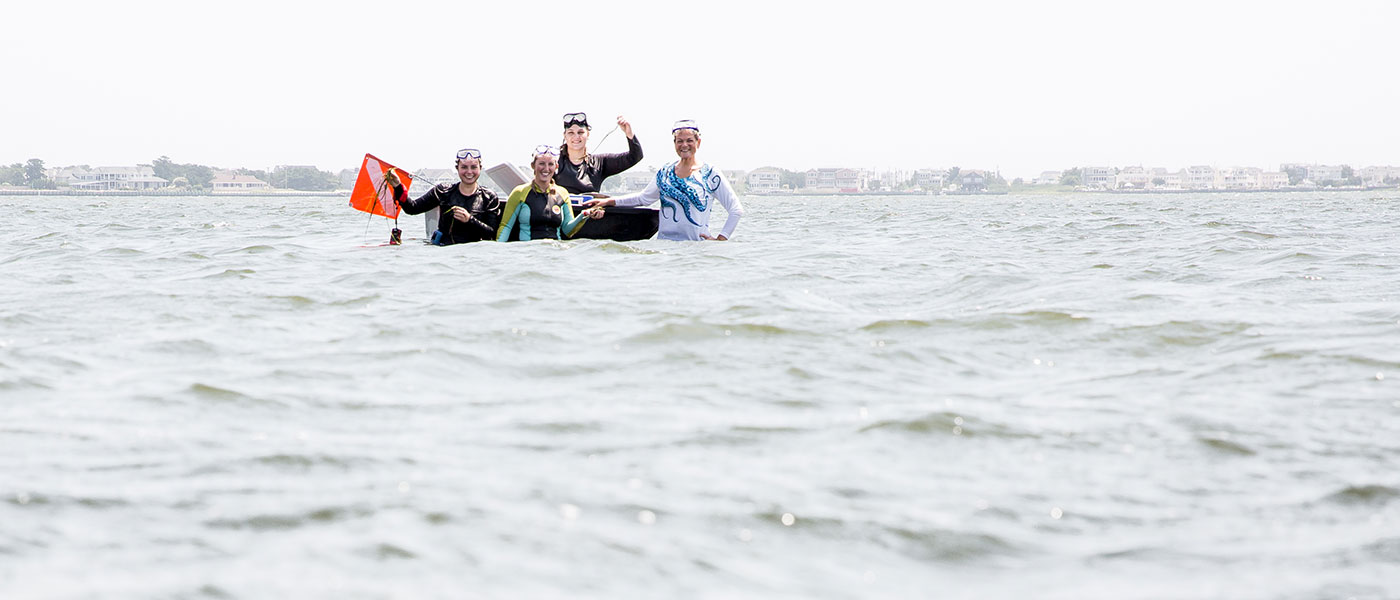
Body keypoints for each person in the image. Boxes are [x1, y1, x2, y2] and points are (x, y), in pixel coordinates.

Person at [582, 120, 743, 241]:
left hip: (697, 250)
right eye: (679, 141)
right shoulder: (665, 172)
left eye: (689, 141)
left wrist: (721, 239)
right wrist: (610, 201)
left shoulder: (710, 173)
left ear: (698, 143)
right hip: (666, 247)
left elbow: (735, 209)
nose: (684, 145)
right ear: (674, 144)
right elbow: (643, 198)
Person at [385, 148, 501, 245]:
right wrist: (398, 186)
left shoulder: (489, 197)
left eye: (474, 167)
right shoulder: (443, 191)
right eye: (464, 167)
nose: (469, 172)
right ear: (457, 169)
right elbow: (412, 208)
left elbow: (492, 233)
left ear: (480, 168)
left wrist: (470, 220)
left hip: (475, 253)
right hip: (445, 251)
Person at [496, 145, 602, 242]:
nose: (546, 169)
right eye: (541, 163)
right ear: (533, 166)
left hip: (554, 251)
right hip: (528, 252)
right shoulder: (519, 192)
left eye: (550, 164)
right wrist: (498, 252)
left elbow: (568, 231)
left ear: (556, 167)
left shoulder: (562, 193)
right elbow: (506, 227)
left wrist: (584, 215)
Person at [553, 112, 643, 194]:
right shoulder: (554, 161)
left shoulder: (599, 163)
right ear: (564, 135)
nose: (576, 137)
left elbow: (635, 156)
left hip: (589, 211)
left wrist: (629, 133)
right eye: (571, 133)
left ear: (587, 134)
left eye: (580, 132)